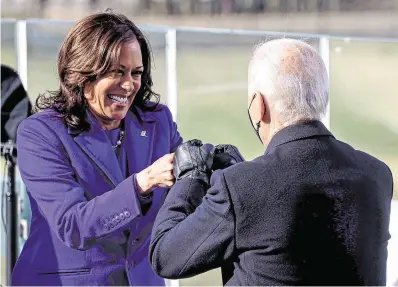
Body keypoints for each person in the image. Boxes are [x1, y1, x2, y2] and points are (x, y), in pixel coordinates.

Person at [149, 38, 394, 285]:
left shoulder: (240, 187)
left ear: (258, 106)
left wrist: (191, 178)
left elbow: (165, 257)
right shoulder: (376, 175)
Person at [12, 11, 182, 286]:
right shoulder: (40, 133)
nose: (129, 85)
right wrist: (141, 184)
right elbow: (72, 225)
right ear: (83, 74)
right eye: (117, 72)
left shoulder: (157, 121)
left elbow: (186, 194)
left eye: (136, 73)